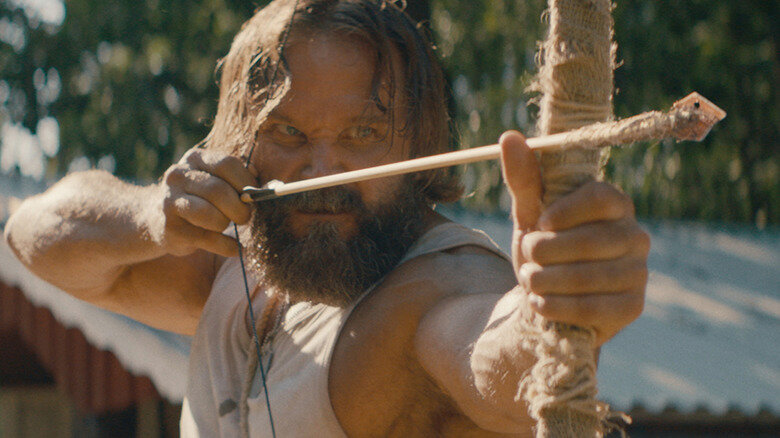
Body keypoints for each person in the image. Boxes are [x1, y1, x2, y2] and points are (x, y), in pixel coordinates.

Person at [4, 0, 649, 436]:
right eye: (288, 131)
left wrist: (550, 312)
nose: (321, 169)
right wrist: (153, 217)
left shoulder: (439, 288)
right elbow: (31, 235)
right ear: (239, 143)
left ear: (420, 146)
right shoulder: (237, 267)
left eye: (363, 133)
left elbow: (491, 352)